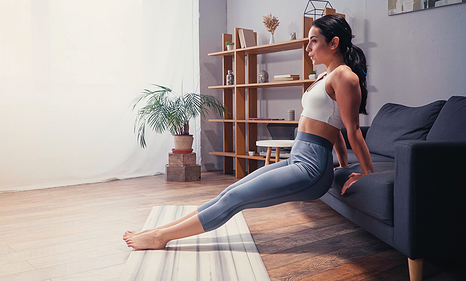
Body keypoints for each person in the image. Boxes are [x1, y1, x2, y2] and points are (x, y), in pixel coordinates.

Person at [123, 14, 374, 250]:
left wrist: (366, 172)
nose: (308, 48)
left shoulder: (345, 77)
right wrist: (342, 164)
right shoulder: (324, 76)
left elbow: (352, 131)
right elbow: (336, 128)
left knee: (236, 199)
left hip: (311, 170)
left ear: (334, 43)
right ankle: (161, 230)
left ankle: (159, 238)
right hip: (297, 158)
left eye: (313, 41)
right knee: (229, 192)